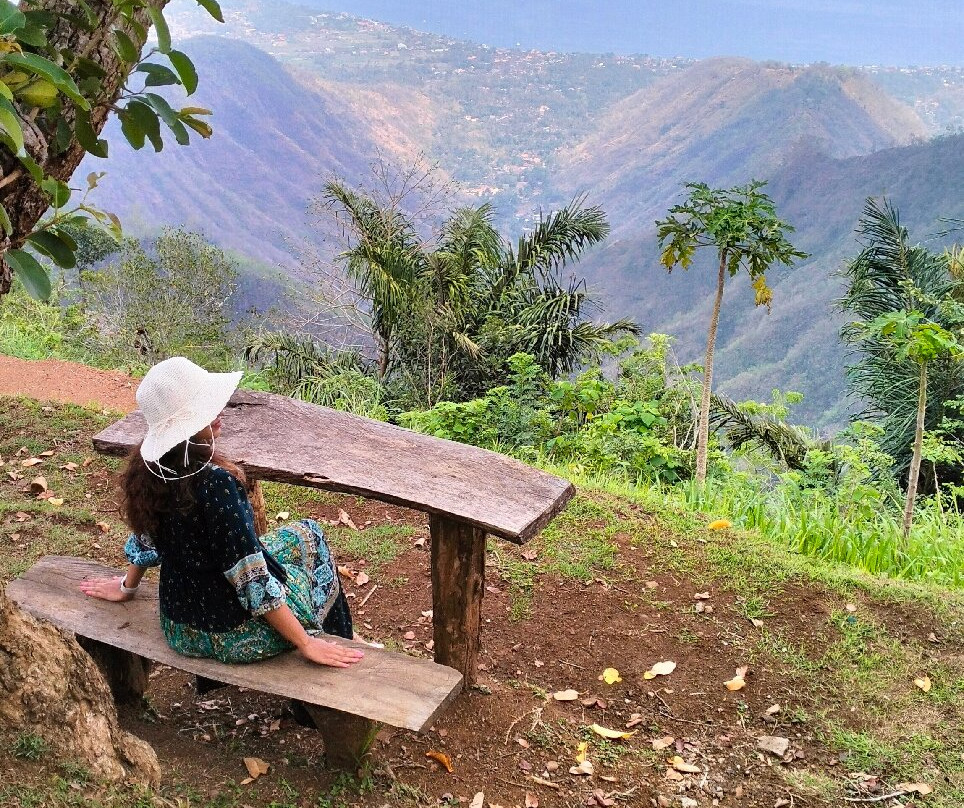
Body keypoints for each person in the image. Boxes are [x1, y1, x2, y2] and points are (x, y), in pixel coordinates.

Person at [79, 356, 364, 670]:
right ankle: (335, 640)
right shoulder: (217, 485)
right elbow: (249, 578)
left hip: (180, 627)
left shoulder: (151, 469)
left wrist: (126, 587)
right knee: (313, 540)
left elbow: (147, 540)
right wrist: (305, 644)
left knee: (303, 532)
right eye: (203, 409)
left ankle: (334, 636)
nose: (217, 412)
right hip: (234, 634)